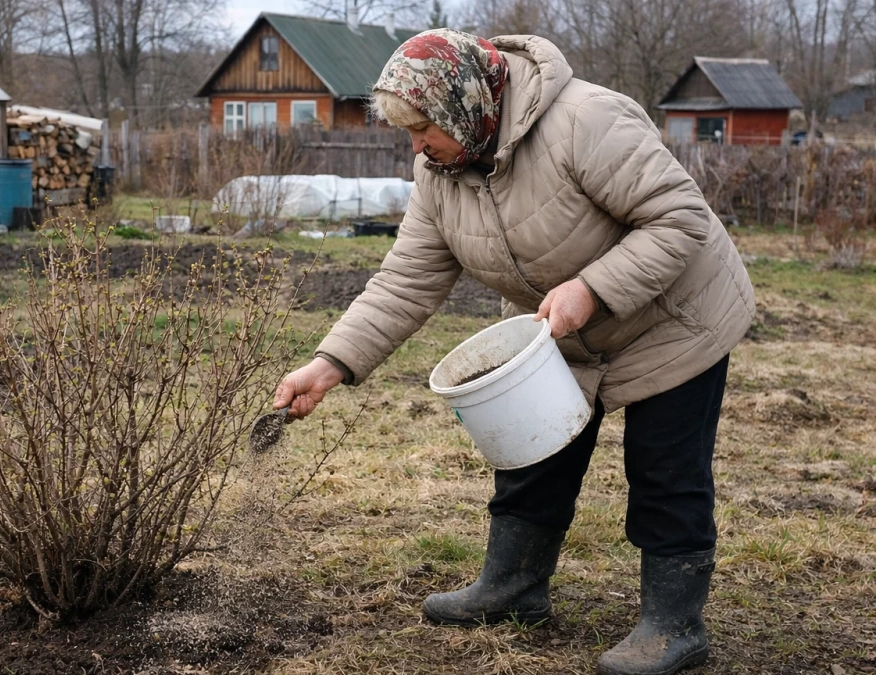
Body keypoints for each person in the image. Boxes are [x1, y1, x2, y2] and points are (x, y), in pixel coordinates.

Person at [273, 29, 755, 675]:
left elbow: (680, 219)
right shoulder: (440, 171)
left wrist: (593, 287)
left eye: (422, 128)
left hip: (675, 317)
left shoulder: (585, 120)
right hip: (559, 330)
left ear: (465, 107)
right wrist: (328, 365)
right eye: (408, 133)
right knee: (532, 451)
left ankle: (673, 625)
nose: (415, 146)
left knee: (665, 469)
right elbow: (404, 282)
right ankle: (514, 587)